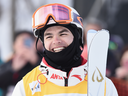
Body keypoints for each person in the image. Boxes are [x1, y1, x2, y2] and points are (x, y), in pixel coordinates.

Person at [12, 3, 118, 96]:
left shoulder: (103, 86)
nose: (56, 41)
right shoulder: (25, 87)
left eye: (63, 34)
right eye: (49, 36)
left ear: (77, 37)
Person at [0, 30, 42, 96]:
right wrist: (13, 69)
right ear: (14, 45)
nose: (24, 45)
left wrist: (35, 61)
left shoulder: (42, 59)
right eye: (22, 40)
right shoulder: (8, 62)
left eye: (28, 41)